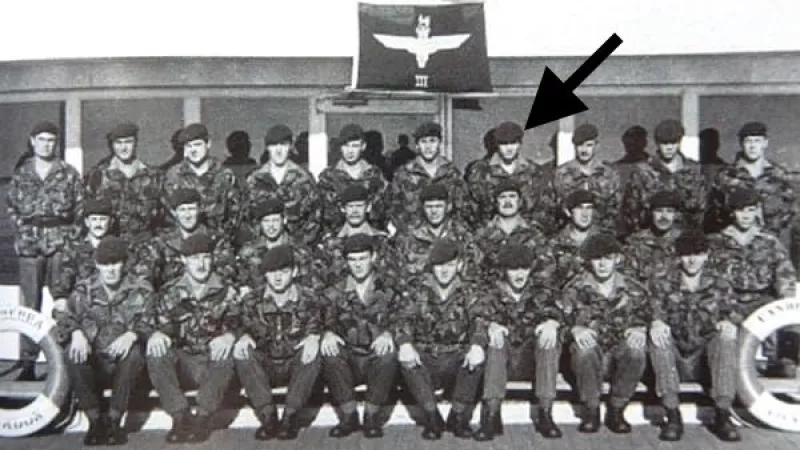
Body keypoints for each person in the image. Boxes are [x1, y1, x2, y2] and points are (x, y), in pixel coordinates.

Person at [55, 237, 152, 446]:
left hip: (125, 367)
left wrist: (133, 334)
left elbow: (152, 319)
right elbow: (62, 316)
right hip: (95, 363)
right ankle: (95, 420)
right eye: (105, 264)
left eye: (116, 263)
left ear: (124, 264)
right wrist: (76, 332)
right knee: (71, 352)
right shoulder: (84, 290)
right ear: (97, 265)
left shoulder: (141, 288)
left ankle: (115, 421)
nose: (111, 270)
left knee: (135, 353)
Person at [146, 233, 239, 443]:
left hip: (211, 361)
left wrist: (230, 336)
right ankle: (180, 417)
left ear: (213, 259)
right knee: (156, 353)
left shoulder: (226, 290)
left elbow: (239, 320)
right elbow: (158, 322)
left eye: (206, 257)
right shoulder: (170, 292)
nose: (201, 264)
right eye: (195, 258)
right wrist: (157, 333)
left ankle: (203, 417)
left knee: (227, 355)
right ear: (184, 260)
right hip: (184, 361)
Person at [7, 121, 83, 378]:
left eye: (51, 140)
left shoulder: (68, 173)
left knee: (63, 302)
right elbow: (11, 207)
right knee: (30, 306)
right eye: (42, 139)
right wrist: (24, 231)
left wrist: (69, 240)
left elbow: (79, 212)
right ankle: (28, 363)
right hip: (30, 246)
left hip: (59, 244)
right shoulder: (22, 173)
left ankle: (64, 362)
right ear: (32, 141)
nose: (46, 144)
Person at [648, 230, 740, 442]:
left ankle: (723, 413)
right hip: (676, 357)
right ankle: (672, 414)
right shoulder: (663, 282)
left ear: (706, 255)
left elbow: (734, 313)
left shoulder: (719, 284)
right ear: (678, 256)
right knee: (658, 337)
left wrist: (730, 322)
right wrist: (656, 322)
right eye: (686, 254)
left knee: (725, 339)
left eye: (697, 254)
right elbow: (653, 311)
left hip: (704, 358)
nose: (691, 260)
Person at [394, 239, 490, 440]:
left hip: (457, 356)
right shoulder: (418, 289)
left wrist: (477, 344)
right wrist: (404, 342)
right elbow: (404, 318)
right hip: (427, 356)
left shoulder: (469, 290)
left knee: (478, 356)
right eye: (439, 266)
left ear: (459, 265)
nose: (444, 271)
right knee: (405, 357)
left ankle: (458, 416)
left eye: (450, 265)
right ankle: (431, 416)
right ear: (432, 266)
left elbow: (479, 318)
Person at [232, 245, 324, 440]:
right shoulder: (251, 301)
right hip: (266, 365)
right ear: (265, 274)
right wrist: (243, 336)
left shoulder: (309, 299)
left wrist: (314, 337)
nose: (278, 277)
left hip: (294, 365)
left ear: (295, 272)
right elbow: (239, 325)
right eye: (272, 272)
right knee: (243, 352)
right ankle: (268, 416)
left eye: (284, 271)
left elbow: (320, 323)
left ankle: (290, 415)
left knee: (313, 350)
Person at [561, 232, 649, 434]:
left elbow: (650, 317)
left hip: (619, 357)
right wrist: (574, 329)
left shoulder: (634, 289)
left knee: (636, 350)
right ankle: (591, 410)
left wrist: (641, 328)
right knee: (584, 349)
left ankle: (617, 409)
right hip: (590, 360)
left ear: (617, 259)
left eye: (608, 258)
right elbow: (557, 320)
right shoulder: (574, 289)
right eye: (597, 258)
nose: (602, 264)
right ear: (588, 261)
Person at [474, 244, 563, 441]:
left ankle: (545, 412)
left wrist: (553, 323)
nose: (519, 274)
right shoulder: (492, 294)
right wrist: (490, 326)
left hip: (532, 362)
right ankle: (491, 413)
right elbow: (478, 318)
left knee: (547, 339)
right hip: (501, 363)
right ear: (504, 270)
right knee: (496, 340)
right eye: (513, 269)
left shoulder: (541, 292)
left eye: (524, 268)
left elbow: (559, 314)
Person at [320, 234, 402, 438]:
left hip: (375, 355)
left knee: (388, 354)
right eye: (353, 260)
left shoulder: (388, 286)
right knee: (330, 352)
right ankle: (348, 416)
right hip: (350, 356)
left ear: (373, 257)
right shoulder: (336, 289)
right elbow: (325, 317)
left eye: (363, 258)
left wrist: (389, 333)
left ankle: (372, 416)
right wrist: (328, 333)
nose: (358, 265)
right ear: (346, 262)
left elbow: (403, 316)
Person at [709, 187, 797, 376]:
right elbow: (709, 279)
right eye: (741, 210)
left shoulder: (769, 242)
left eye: (751, 210)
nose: (746, 216)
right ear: (732, 212)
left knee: (783, 329)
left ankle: (777, 364)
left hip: (762, 302)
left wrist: (784, 304)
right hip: (729, 304)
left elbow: (785, 276)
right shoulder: (716, 243)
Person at [621, 119, 708, 238]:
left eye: (673, 143)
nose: (669, 148)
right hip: (651, 239)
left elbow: (701, 208)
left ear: (679, 142)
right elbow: (632, 210)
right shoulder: (643, 171)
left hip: (685, 237)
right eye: (664, 143)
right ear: (657, 143)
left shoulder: (693, 170)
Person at [134, 188, 235, 290]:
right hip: (172, 297)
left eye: (191, 209)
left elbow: (226, 272)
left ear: (200, 209)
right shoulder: (162, 241)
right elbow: (142, 275)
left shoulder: (215, 239)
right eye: (182, 210)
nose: (187, 216)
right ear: (174, 213)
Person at [708, 122, 796, 236]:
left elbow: (791, 214)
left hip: (772, 244)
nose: (752, 146)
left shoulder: (779, 176)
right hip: (735, 244)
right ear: (741, 144)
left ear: (765, 143)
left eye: (757, 141)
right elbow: (715, 214)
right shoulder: (726, 176)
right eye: (748, 141)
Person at [386, 122, 476, 233]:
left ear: (440, 143)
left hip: (445, 238)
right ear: (417, 145)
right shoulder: (404, 174)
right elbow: (392, 209)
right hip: (412, 238)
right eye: (423, 142)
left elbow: (464, 210)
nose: (428, 147)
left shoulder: (452, 173)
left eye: (432, 141)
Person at [466, 121, 556, 232]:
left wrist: (531, 232)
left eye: (513, 143)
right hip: (489, 237)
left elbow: (546, 208)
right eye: (504, 143)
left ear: (520, 144)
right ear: (496, 145)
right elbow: (470, 209)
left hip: (527, 236)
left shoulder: (534, 171)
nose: (509, 148)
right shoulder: (480, 171)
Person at [84, 122, 164, 244]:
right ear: (112, 146)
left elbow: (165, 218)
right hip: (111, 245)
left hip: (145, 247)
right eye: (118, 143)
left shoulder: (154, 176)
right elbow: (85, 212)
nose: (123, 148)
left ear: (136, 143)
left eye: (128, 142)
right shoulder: (98, 175)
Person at [163, 123, 245, 240]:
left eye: (197, 145)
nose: (193, 150)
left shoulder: (225, 176)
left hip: (218, 243)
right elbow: (169, 215)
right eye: (189, 146)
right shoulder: (173, 176)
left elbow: (235, 215)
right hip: (185, 244)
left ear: (208, 144)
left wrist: (223, 240)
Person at [246, 124, 322, 247]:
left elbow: (315, 215)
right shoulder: (255, 180)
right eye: (274, 145)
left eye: (283, 144)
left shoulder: (304, 178)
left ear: (290, 146)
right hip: (264, 249)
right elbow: (247, 217)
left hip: (296, 250)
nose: (278, 150)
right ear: (267, 148)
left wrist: (300, 244)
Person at [472, 178, 554, 284]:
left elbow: (546, 268)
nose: (507, 201)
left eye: (512, 196)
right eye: (502, 197)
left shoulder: (534, 234)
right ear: (495, 202)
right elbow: (473, 270)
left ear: (519, 202)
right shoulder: (482, 235)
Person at [316, 185, 400, 287]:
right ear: (342, 209)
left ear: (368, 207)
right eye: (350, 206)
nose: (355, 211)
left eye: (359, 206)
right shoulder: (330, 244)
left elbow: (392, 277)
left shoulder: (382, 242)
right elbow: (321, 280)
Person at [393, 183, 477, 279]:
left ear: (448, 207)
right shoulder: (408, 236)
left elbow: (472, 271)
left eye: (438, 206)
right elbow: (399, 271)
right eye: (429, 207)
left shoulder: (462, 235)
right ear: (423, 208)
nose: (434, 211)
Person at [236, 197, 322, 290]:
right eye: (266, 221)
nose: (271, 226)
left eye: (275, 220)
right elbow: (242, 284)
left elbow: (309, 285)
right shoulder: (248, 252)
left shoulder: (299, 250)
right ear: (260, 223)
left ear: (284, 220)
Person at [317, 124, 388, 235]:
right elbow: (323, 214)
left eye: (354, 146)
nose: (350, 151)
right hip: (337, 237)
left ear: (363, 146)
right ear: (340, 147)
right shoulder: (328, 177)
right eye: (346, 146)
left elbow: (383, 210)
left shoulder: (375, 175)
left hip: (369, 236)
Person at [551, 124, 621, 234]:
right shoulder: (561, 174)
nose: (584, 150)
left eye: (589, 145)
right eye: (580, 145)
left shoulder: (609, 174)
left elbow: (616, 209)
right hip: (569, 235)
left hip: (602, 234)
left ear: (597, 146)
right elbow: (551, 209)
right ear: (574, 146)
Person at [49, 198, 117, 306]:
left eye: (102, 219)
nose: (98, 224)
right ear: (87, 222)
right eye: (94, 219)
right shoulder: (73, 249)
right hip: (82, 305)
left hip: (111, 304)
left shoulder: (117, 248)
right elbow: (62, 287)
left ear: (111, 222)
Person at [621, 190, 683, 284]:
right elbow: (628, 278)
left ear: (676, 215)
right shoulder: (635, 242)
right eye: (659, 211)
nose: (664, 216)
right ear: (651, 213)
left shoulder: (685, 241)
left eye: (669, 211)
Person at [548, 189, 600, 288]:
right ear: (568, 212)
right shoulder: (555, 244)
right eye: (579, 208)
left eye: (589, 208)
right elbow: (547, 281)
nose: (585, 214)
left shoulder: (605, 241)